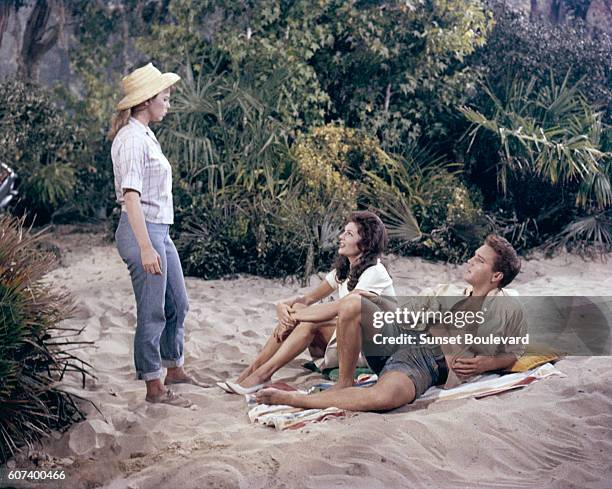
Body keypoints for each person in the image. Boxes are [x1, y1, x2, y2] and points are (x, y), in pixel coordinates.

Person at [256, 234, 526, 411]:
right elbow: (401, 315)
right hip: (402, 337)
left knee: (385, 398)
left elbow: (517, 349)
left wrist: (489, 363)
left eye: (479, 260)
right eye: (474, 255)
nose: (470, 261)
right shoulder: (446, 291)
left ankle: (296, 399)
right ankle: (344, 382)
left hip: (425, 363)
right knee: (354, 302)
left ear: (496, 276)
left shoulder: (506, 302)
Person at [223, 211, 395, 394]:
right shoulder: (345, 271)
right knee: (299, 308)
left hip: (377, 350)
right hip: (352, 343)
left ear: (366, 243)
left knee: (310, 320)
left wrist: (292, 317)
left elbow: (338, 308)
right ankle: (253, 370)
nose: (340, 237)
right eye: (343, 232)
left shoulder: (375, 271)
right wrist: (282, 307)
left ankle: (262, 374)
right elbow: (306, 299)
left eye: (349, 234)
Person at [110, 63, 196, 406]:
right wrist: (146, 247)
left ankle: (173, 366)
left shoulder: (144, 133)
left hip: (160, 231)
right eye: (165, 97)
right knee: (153, 311)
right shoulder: (131, 139)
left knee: (178, 302)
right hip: (141, 232)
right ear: (146, 101)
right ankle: (153, 386)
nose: (168, 104)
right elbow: (131, 196)